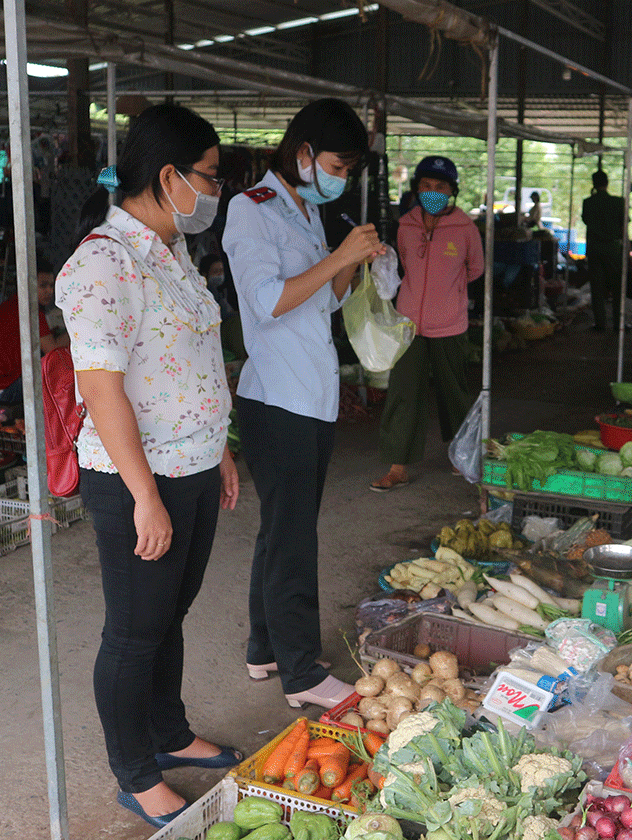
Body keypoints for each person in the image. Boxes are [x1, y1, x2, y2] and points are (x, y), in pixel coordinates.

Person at [56, 103, 240, 828]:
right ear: (169, 176)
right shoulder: (102, 261)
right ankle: (135, 770)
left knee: (172, 612)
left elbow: (188, 358)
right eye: (211, 176)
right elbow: (100, 388)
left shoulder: (169, 249)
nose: (216, 190)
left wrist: (218, 446)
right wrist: (144, 497)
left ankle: (169, 732)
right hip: (138, 479)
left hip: (192, 463)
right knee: (134, 629)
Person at [222, 98, 383, 708]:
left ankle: (264, 647)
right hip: (276, 400)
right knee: (292, 540)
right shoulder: (250, 210)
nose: (341, 179)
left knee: (283, 531)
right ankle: (302, 673)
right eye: (338, 166)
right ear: (304, 153)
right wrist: (337, 258)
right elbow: (265, 301)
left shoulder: (306, 211)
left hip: (311, 394)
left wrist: (350, 264)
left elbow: (323, 301)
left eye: (349, 171)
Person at [371, 156, 482, 492]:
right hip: (409, 324)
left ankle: (460, 457)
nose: (433, 192)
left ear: (452, 191)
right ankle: (398, 466)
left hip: (450, 324)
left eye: (440, 187)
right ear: (417, 189)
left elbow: (475, 269)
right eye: (426, 186)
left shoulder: (466, 229)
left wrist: (451, 293)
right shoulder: (406, 225)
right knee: (403, 392)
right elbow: (403, 264)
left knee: (454, 393)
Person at [0, 253, 69, 402]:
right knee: (65, 379)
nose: (50, 291)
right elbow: (53, 350)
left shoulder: (15, 303)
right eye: (43, 286)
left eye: (51, 285)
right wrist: (77, 330)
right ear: (27, 285)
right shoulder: (30, 310)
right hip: (3, 387)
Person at [582, 170, 627, 331]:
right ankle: (618, 322)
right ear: (607, 183)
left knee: (597, 287)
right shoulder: (618, 202)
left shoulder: (588, 202)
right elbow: (624, 225)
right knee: (617, 286)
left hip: (594, 248)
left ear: (593, 183)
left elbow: (587, 220)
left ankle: (600, 323)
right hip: (613, 248)